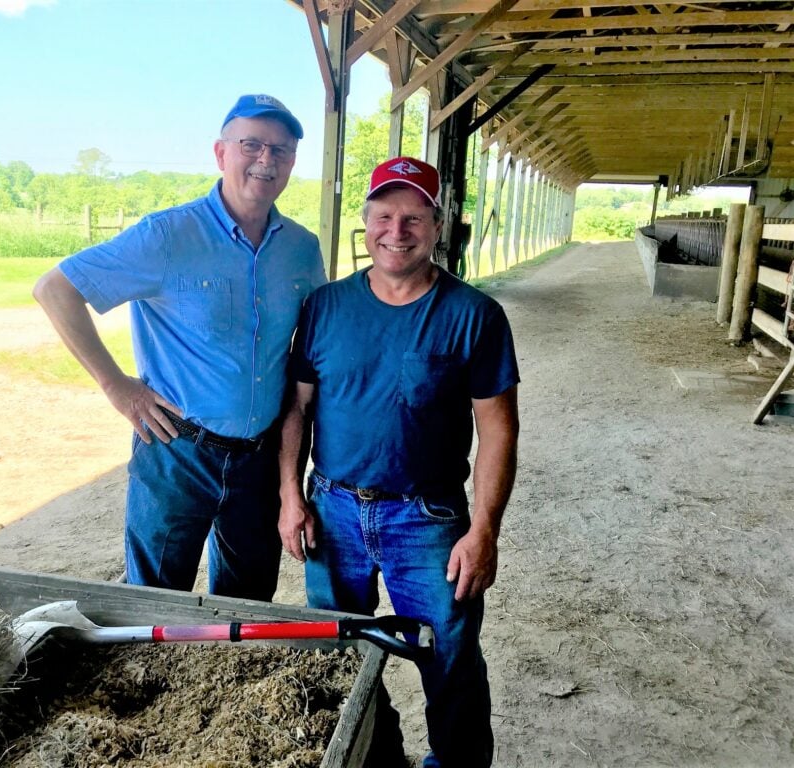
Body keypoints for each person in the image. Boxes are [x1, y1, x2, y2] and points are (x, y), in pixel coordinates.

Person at [34, 94, 326, 602]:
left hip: (260, 457)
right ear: (220, 153)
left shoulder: (301, 248)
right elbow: (55, 289)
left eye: (280, 149)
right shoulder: (167, 235)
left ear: (293, 161)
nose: (266, 159)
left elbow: (314, 342)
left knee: (246, 606)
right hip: (176, 451)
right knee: (151, 600)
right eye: (250, 144)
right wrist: (117, 386)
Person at [278, 157, 519, 767]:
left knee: (450, 658)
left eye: (414, 217)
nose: (397, 230)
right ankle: (375, 756)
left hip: (429, 518)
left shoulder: (474, 315)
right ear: (364, 223)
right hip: (332, 510)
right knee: (337, 653)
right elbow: (297, 411)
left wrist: (484, 530)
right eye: (383, 215)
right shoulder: (325, 307)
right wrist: (291, 495)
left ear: (438, 226)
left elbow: (497, 428)